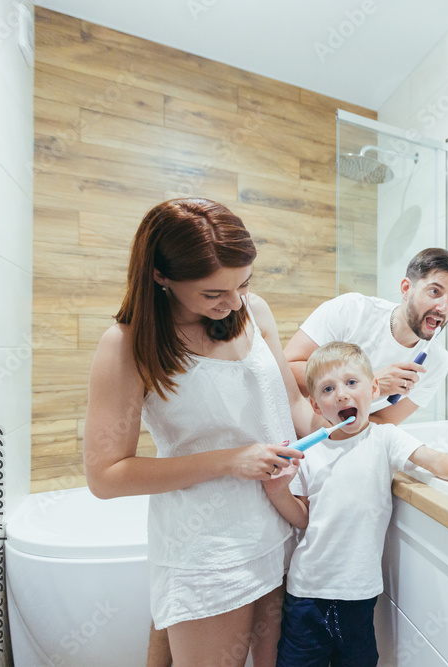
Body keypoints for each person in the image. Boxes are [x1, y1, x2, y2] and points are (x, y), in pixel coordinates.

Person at [83, 198, 312, 666]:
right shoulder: (127, 345)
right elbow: (105, 476)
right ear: (161, 276)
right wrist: (229, 460)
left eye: (243, 283)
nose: (235, 302)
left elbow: (291, 406)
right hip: (210, 549)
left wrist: (353, 426)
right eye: (214, 294)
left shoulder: (254, 311)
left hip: (281, 522)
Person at [265, 342, 448, 666]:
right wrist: (278, 492)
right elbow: (304, 518)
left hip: (358, 595)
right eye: (328, 389)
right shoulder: (311, 453)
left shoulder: (384, 438)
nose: (342, 395)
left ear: (373, 389)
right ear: (316, 405)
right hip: (306, 594)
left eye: (351, 382)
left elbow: (435, 460)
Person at [284, 248, 448, 425]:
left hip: (342, 436)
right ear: (406, 288)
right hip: (295, 424)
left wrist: (339, 435)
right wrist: (368, 384)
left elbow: (383, 421)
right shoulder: (352, 310)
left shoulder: (436, 362)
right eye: (434, 291)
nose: (443, 308)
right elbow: (285, 370)